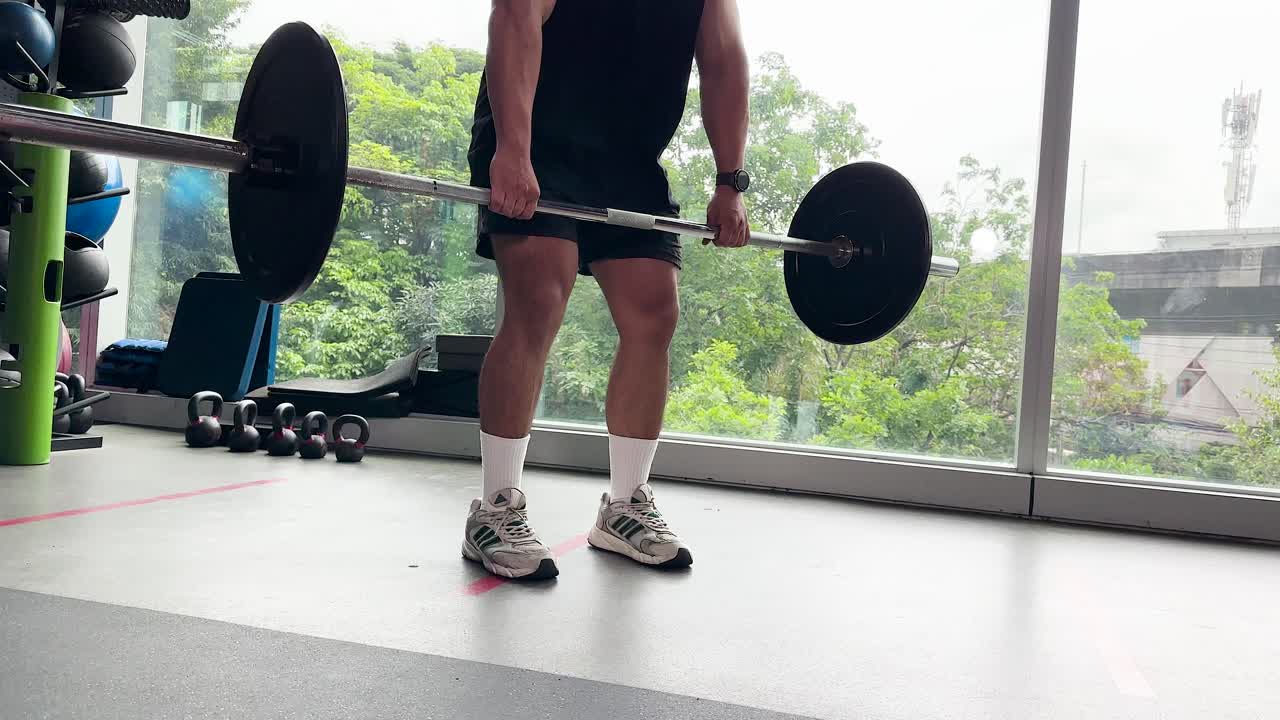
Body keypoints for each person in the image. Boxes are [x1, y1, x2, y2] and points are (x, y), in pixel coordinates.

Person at [462, 0, 751, 580]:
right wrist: (512, 149)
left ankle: (624, 506)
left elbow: (723, 61)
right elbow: (515, 16)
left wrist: (730, 181)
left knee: (654, 312)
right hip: (536, 133)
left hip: (628, 156)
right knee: (540, 296)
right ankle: (495, 509)